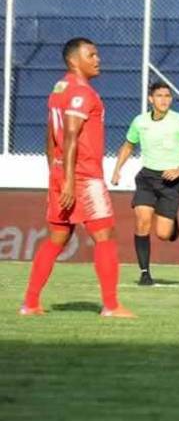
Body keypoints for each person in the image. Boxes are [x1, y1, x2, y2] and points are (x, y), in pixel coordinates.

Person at [20, 38, 134, 318]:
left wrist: (55, 175)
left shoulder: (58, 88)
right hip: (82, 175)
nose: (98, 59)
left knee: (57, 237)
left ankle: (30, 303)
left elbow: (50, 136)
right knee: (105, 236)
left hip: (61, 172)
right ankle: (111, 305)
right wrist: (70, 180)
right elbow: (70, 136)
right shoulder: (82, 92)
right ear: (74, 61)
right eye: (91, 55)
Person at [110, 81, 179, 286]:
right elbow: (128, 146)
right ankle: (145, 273)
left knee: (163, 233)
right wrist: (117, 169)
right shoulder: (140, 122)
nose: (164, 100)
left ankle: (171, 223)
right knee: (142, 221)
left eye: (168, 96)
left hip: (171, 181)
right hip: (146, 179)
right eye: (160, 96)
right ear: (151, 99)